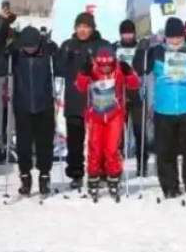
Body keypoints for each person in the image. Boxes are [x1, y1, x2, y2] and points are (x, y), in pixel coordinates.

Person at [135, 17, 186, 200]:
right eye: (171, 37)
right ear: (166, 37)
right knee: (165, 150)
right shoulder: (157, 52)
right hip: (164, 109)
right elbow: (140, 69)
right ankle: (170, 187)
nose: (175, 41)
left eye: (178, 37)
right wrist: (141, 51)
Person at [0, 26, 57, 196]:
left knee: (45, 143)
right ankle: (25, 176)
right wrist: (5, 53)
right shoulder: (16, 54)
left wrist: (55, 50)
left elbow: (60, 69)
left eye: (32, 46)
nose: (29, 49)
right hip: (22, 105)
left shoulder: (46, 52)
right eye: (26, 46)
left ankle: (44, 176)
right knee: (23, 144)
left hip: (44, 104)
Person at [74, 47, 141, 199]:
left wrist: (129, 72)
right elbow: (80, 86)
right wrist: (83, 74)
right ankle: (93, 178)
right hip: (95, 115)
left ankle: (113, 177)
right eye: (102, 65)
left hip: (114, 115)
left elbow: (135, 84)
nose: (105, 68)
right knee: (95, 148)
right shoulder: (92, 70)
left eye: (108, 65)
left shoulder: (118, 70)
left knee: (111, 149)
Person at [56, 12, 109, 189]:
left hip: (98, 100)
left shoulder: (102, 45)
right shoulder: (67, 45)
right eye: (80, 27)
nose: (83, 30)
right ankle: (76, 174)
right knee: (75, 142)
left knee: (98, 141)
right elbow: (58, 69)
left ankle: (100, 173)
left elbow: (111, 68)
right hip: (75, 100)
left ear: (92, 28)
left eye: (86, 27)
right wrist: (66, 56)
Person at [114, 20, 148, 177]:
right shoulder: (115, 47)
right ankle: (116, 164)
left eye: (130, 33)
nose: (127, 36)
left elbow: (143, 69)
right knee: (118, 134)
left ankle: (142, 165)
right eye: (124, 33)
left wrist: (144, 50)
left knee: (139, 132)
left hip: (137, 95)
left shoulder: (140, 47)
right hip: (119, 95)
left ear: (134, 33)